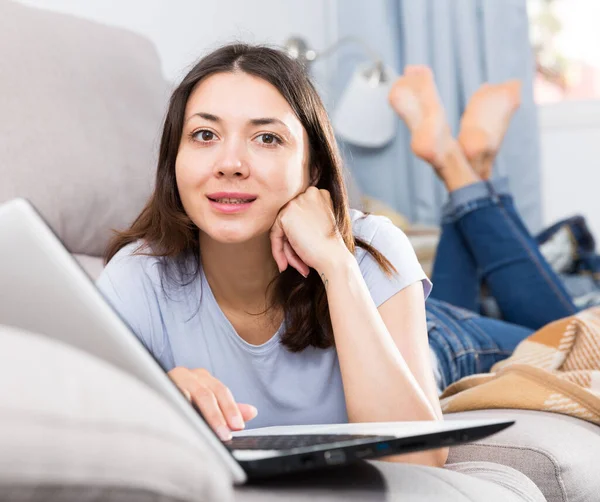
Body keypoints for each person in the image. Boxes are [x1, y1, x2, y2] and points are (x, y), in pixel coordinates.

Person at [96, 43, 445, 468]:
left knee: (526, 322)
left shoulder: (374, 250)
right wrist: (155, 399)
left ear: (313, 168)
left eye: (267, 138)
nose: (230, 164)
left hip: (440, 335)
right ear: (174, 161)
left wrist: (337, 266)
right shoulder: (136, 278)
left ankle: (458, 167)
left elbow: (419, 463)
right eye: (205, 135)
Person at [387, 66, 578, 391]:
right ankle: (467, 167)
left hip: (418, 327)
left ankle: (458, 164)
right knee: (570, 342)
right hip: (421, 326)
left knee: (569, 339)